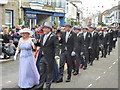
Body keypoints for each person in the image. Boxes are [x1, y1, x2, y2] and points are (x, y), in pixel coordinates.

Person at [35, 22, 59, 90]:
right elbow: (42, 45)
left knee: (49, 73)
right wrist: (36, 43)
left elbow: (56, 46)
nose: (44, 29)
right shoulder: (42, 36)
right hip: (42, 56)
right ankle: (40, 86)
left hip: (50, 57)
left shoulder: (54, 36)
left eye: (45, 28)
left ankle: (47, 87)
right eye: (43, 28)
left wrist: (57, 55)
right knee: (42, 72)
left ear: (49, 29)